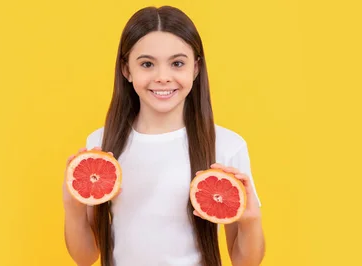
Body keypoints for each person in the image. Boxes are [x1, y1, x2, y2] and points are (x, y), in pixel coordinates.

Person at [62, 5, 266, 266]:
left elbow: (245, 262)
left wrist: (251, 220)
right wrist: (73, 206)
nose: (162, 77)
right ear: (126, 70)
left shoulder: (227, 146)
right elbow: (85, 256)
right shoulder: (100, 146)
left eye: (177, 63)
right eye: (147, 64)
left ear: (195, 68)